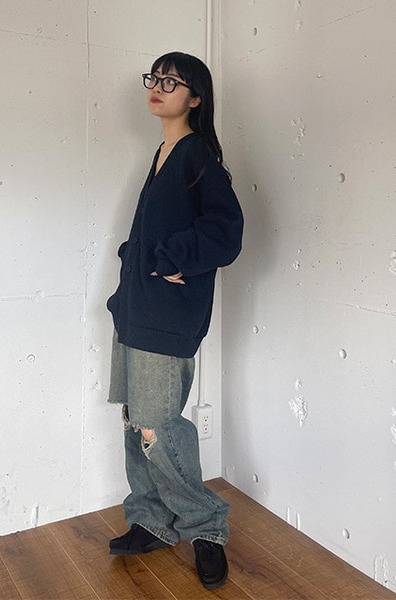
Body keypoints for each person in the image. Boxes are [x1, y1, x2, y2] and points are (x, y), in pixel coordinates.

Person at [105, 52, 243, 591]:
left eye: (172, 81)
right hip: (136, 309)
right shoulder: (162, 152)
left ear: (196, 97)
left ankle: (206, 527)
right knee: (134, 420)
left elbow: (226, 232)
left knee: (157, 425)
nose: (159, 87)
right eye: (155, 78)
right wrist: (134, 261)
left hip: (166, 315)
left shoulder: (197, 156)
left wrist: (170, 259)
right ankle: (151, 520)